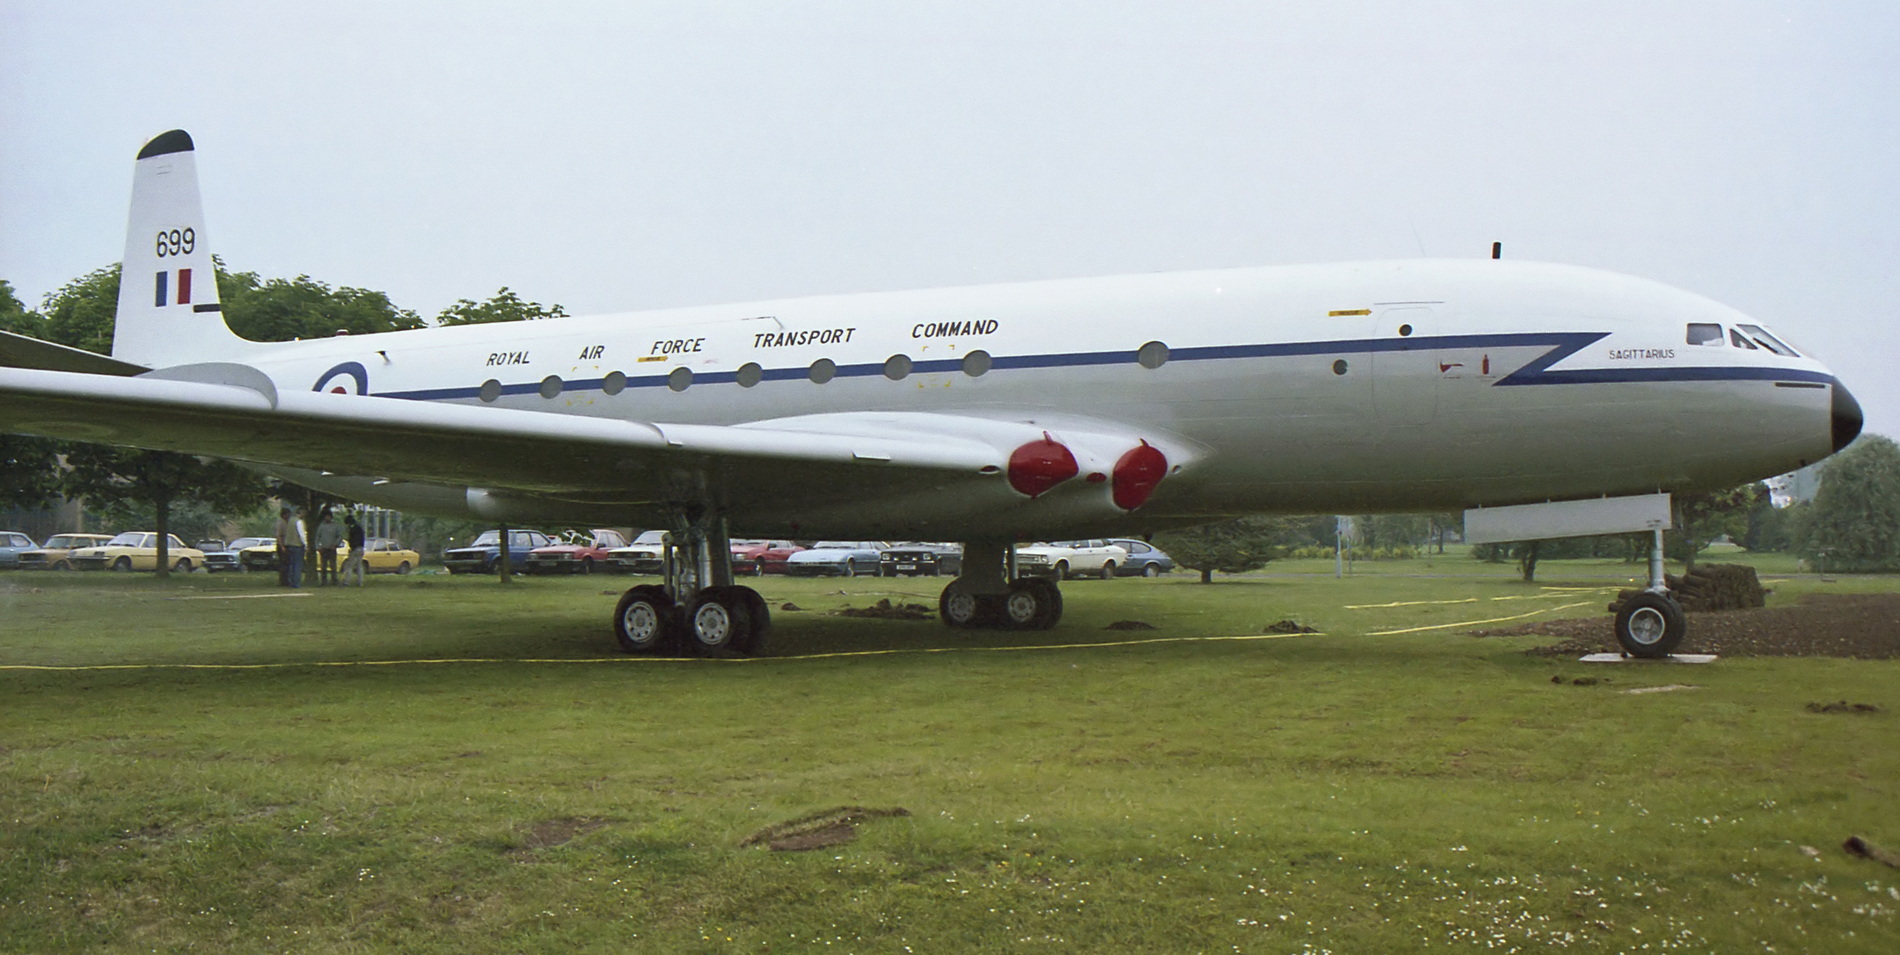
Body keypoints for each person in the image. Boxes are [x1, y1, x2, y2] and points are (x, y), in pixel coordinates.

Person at [276, 507, 305, 588]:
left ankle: (290, 581)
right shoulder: (298, 522)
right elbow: (301, 535)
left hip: (289, 545)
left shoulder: (290, 521)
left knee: (291, 564)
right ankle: (295, 583)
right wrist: (306, 544)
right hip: (296, 545)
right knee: (297, 565)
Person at [313, 508, 341, 585]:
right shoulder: (321, 526)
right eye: (326, 516)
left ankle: (334, 580)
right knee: (323, 566)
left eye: (328, 516)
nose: (327, 518)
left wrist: (335, 544)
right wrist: (318, 547)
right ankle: (323, 581)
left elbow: (339, 536)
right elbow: (317, 537)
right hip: (323, 548)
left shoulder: (335, 526)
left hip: (332, 548)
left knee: (333, 565)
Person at [343, 513, 367, 586]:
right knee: (359, 566)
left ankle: (346, 581)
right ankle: (360, 582)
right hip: (361, 548)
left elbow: (352, 540)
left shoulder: (353, 529)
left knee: (349, 566)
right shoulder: (359, 528)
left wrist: (352, 548)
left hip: (355, 548)